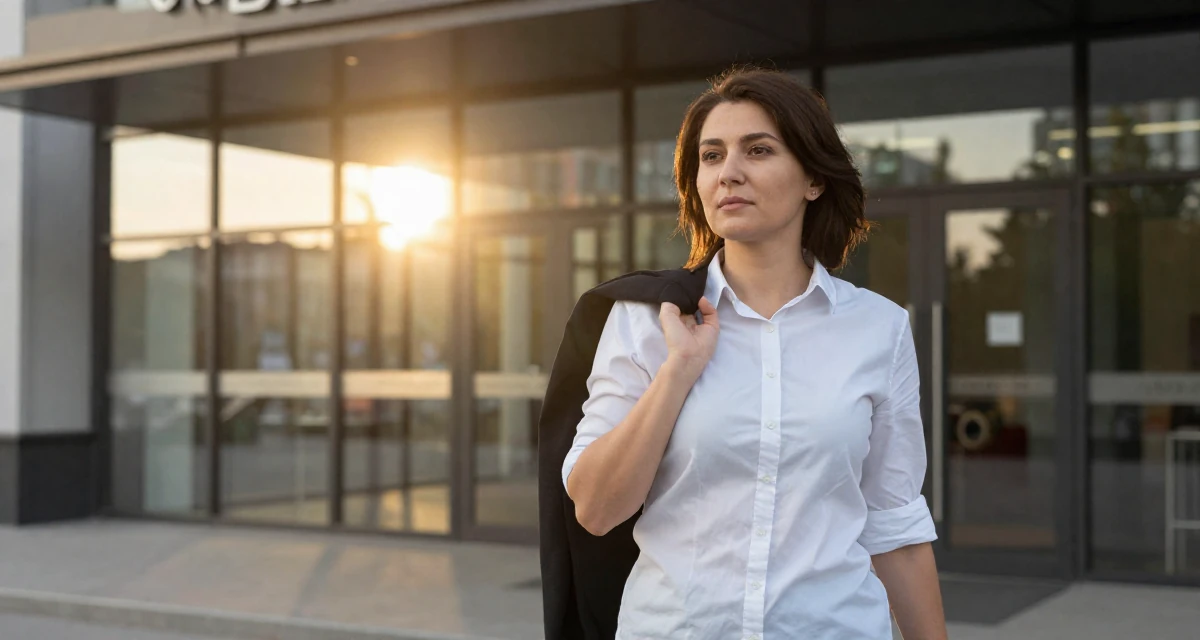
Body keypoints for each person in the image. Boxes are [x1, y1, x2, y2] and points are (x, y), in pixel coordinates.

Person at [559, 67, 948, 639]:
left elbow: (895, 525)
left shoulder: (879, 328)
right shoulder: (644, 319)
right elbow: (595, 510)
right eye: (711, 156)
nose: (729, 173)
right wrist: (678, 371)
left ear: (813, 179)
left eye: (758, 150)